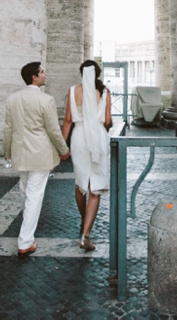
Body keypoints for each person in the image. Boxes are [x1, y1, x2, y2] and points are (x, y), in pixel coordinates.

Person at [4, 62, 70, 258]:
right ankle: (25, 241)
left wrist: (6, 151)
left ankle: (27, 233)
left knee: (26, 192)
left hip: (19, 151)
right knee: (34, 195)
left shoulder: (12, 99)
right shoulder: (46, 100)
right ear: (34, 77)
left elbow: (8, 128)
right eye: (42, 72)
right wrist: (63, 149)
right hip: (40, 153)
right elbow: (53, 130)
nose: (45, 74)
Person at [61, 60, 112, 251]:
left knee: (81, 182)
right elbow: (107, 121)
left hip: (78, 137)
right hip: (98, 137)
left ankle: (84, 219)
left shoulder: (73, 91)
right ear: (97, 74)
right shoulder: (105, 92)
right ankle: (86, 234)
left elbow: (67, 120)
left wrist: (62, 146)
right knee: (95, 186)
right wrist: (99, 125)